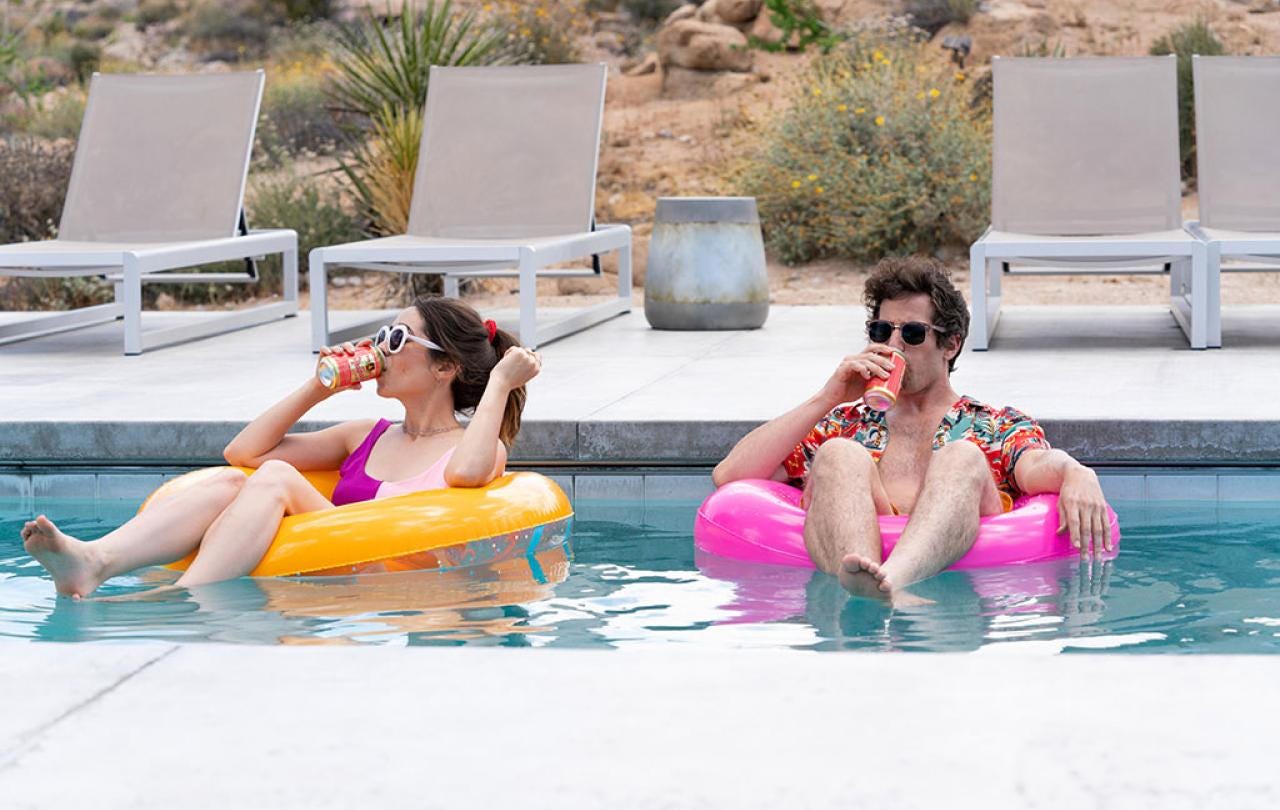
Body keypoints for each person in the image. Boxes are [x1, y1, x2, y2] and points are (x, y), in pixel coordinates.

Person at [21, 295, 541, 599]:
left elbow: (470, 476)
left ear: (445, 367)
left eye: (398, 340)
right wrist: (320, 386)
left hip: (387, 579)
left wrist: (499, 383)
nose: (380, 348)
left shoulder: (474, 448)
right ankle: (97, 560)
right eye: (382, 334)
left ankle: (179, 599)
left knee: (276, 480)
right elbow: (243, 453)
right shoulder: (366, 435)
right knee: (233, 482)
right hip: (326, 563)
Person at [712, 257, 1112, 605]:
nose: (895, 345)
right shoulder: (845, 422)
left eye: (914, 333)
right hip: (852, 555)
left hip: (955, 585)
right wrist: (828, 397)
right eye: (882, 331)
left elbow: (1039, 464)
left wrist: (1077, 471)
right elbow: (730, 477)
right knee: (838, 453)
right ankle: (864, 585)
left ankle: (891, 581)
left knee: (963, 454)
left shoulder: (993, 423)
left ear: (950, 344)